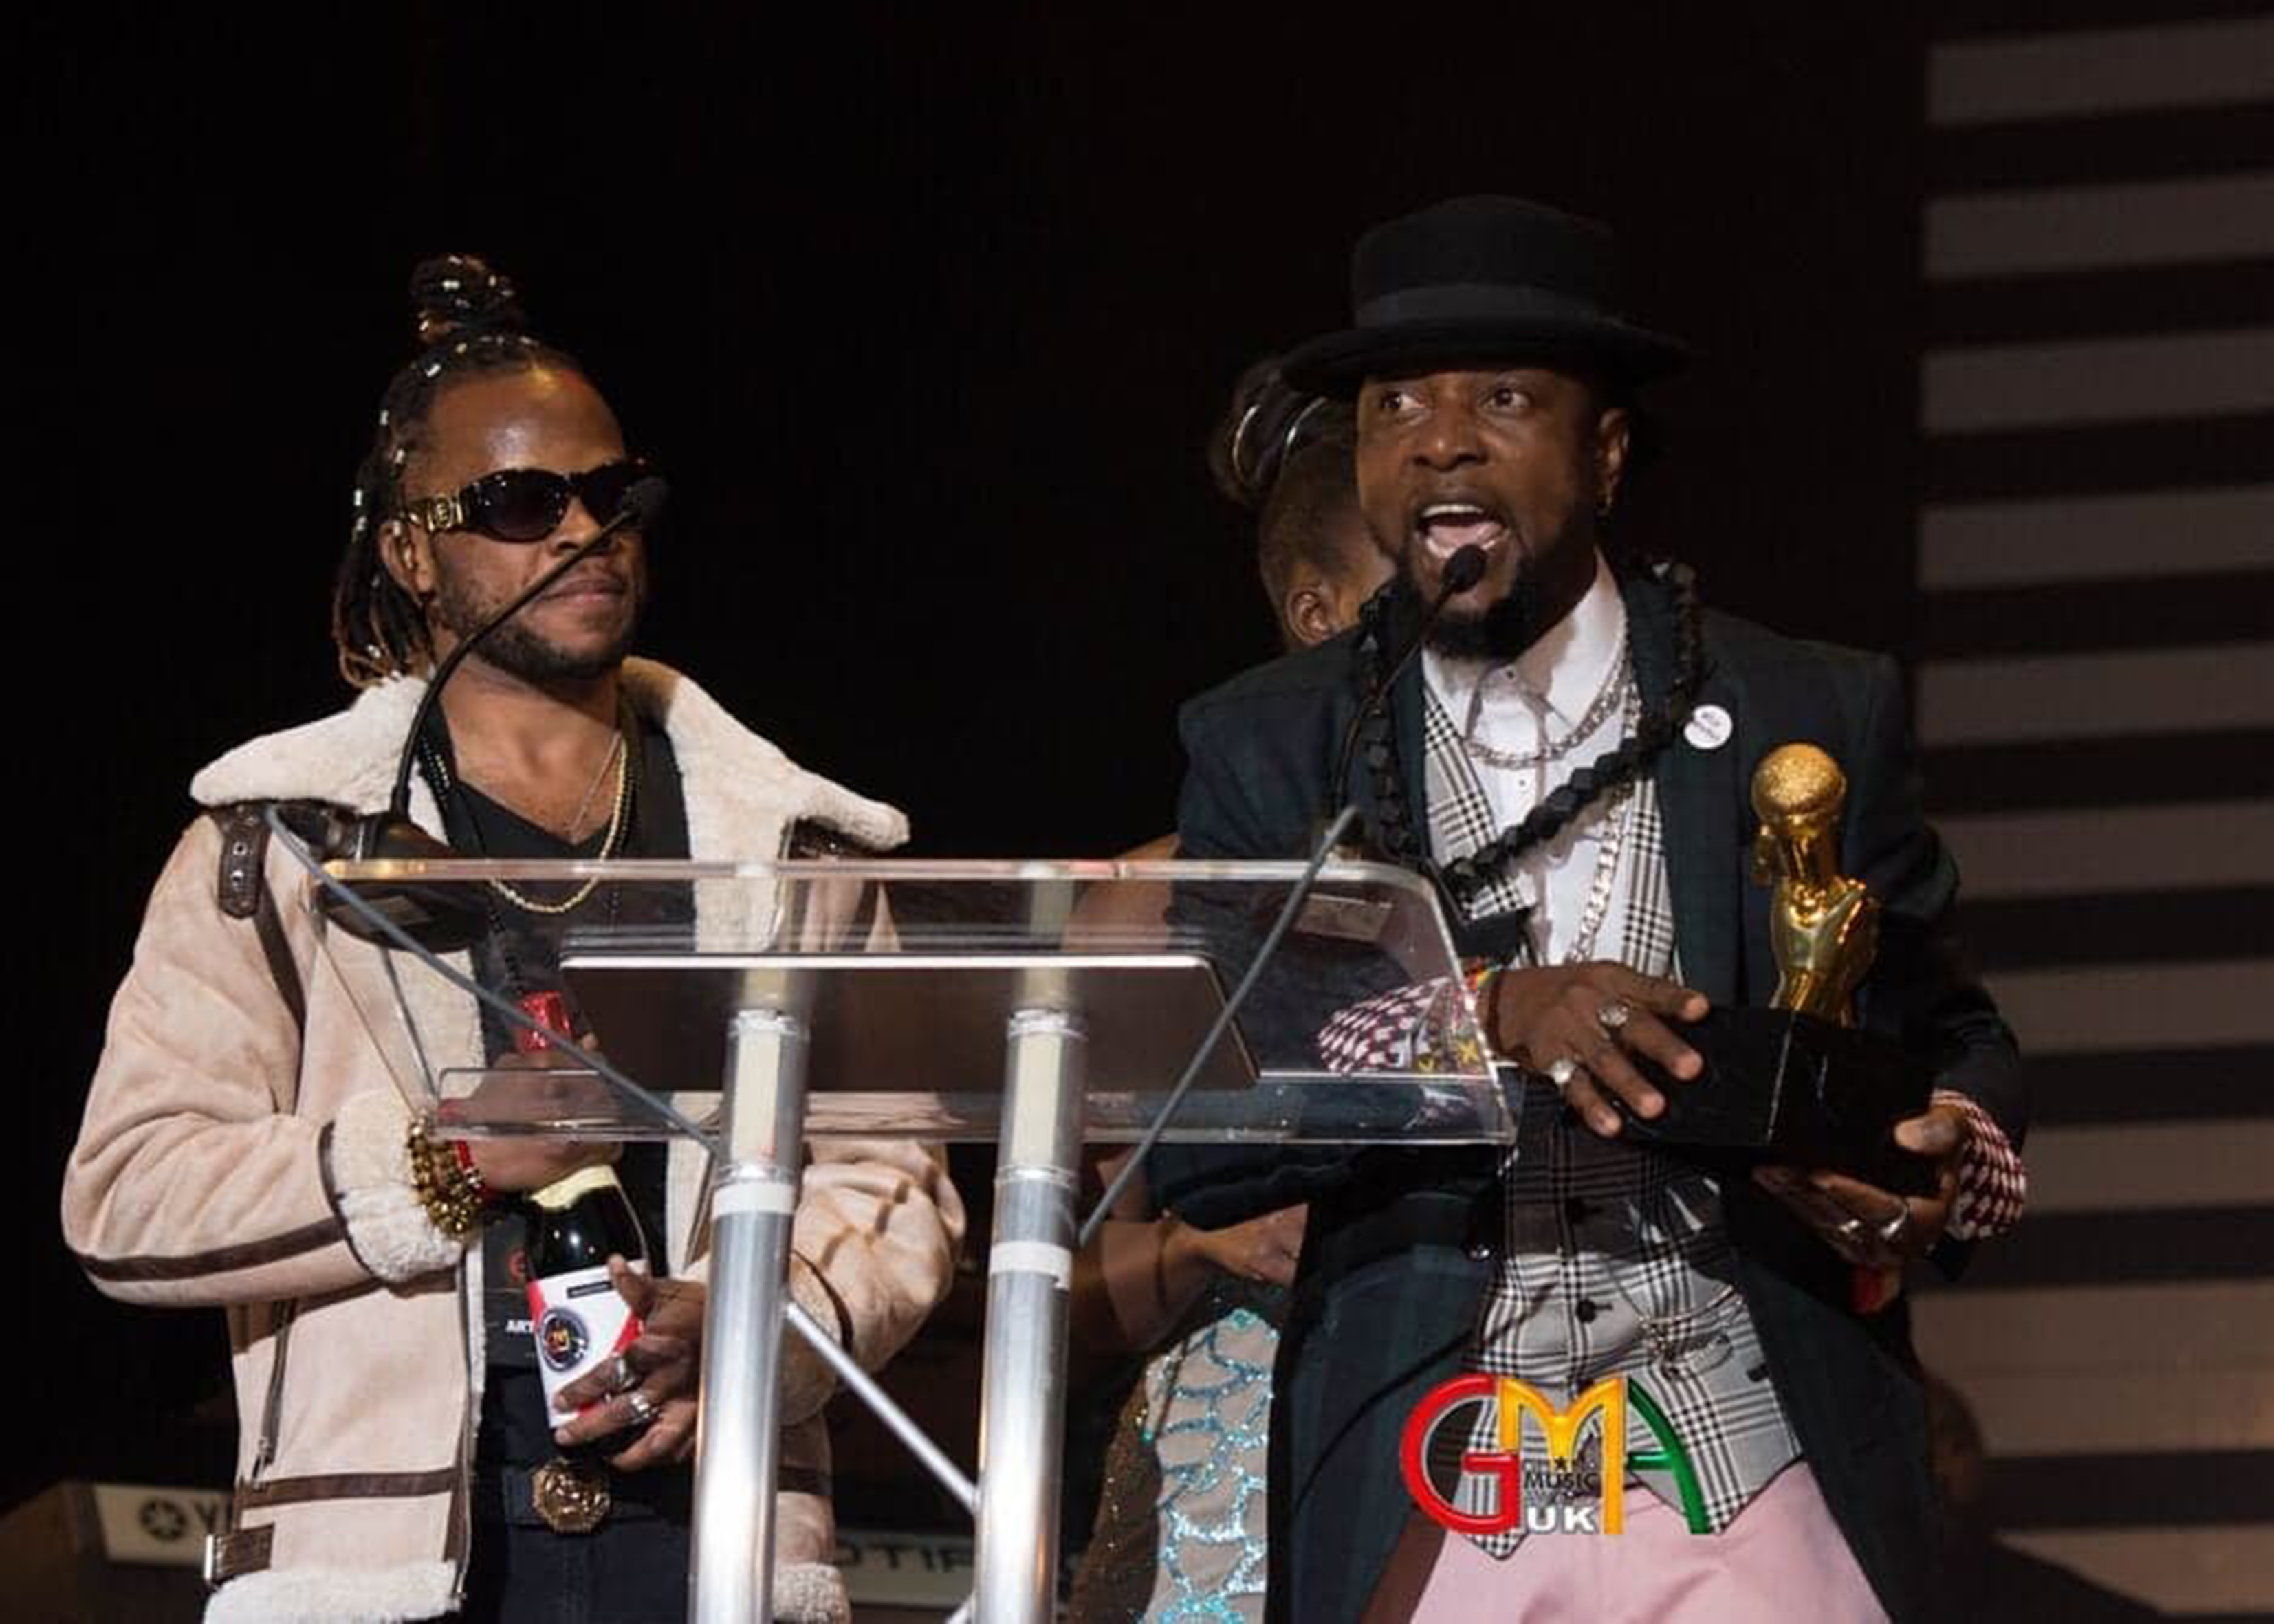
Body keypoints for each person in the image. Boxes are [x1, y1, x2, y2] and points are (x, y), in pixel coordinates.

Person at [1149, 197, 2028, 1623]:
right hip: (1433, 1476)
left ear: (1606, 452)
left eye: (1501, 398)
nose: (1439, 440)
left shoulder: (1801, 708)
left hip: (1749, 1458)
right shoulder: (1276, 740)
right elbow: (1205, 1125)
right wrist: (1485, 1014)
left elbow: (1956, 1042)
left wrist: (1933, 1171)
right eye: (1393, 405)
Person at [61, 257, 964, 1623]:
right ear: (412, 551)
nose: (584, 530)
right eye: (519, 502)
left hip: (710, 1523)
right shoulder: (280, 841)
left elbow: (892, 1175)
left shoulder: (787, 845)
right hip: (392, 1557)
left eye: (613, 494)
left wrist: (748, 1323)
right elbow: (128, 1192)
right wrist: (444, 1159)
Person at [1065, 361, 1388, 1624]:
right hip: (1232, 1481)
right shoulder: (1147, 905)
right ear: (1318, 611)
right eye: (1412, 590)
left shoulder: (1549, 856)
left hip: (1502, 1439)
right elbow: (1052, 1285)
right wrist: (1211, 1242)